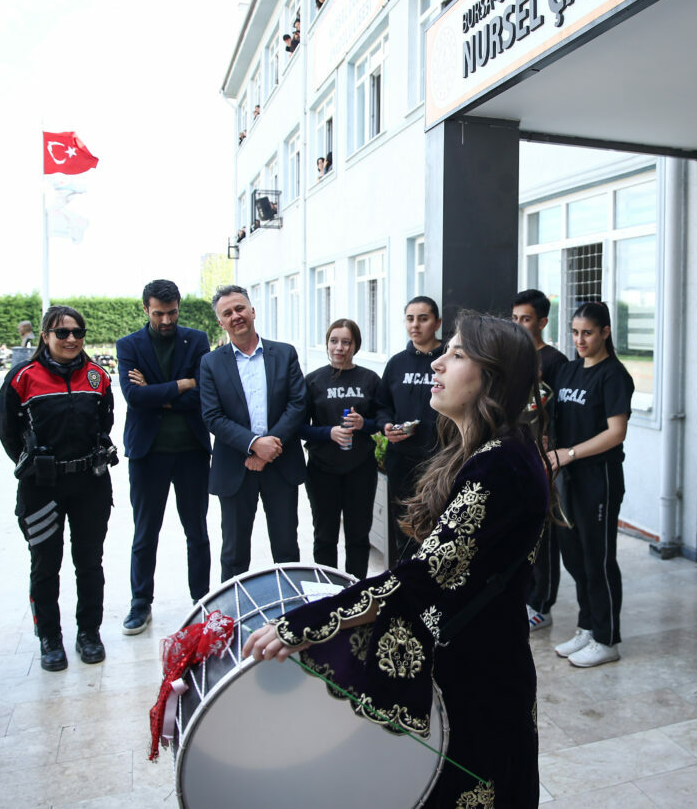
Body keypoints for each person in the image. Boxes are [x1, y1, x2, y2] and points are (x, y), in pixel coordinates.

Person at [243, 313, 552, 807]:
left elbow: (424, 577)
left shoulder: (502, 463)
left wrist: (307, 622)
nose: (438, 364)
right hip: (474, 661)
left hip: (483, 676)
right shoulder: (490, 451)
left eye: (455, 355)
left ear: (490, 375)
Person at [0, 305, 117, 672]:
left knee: (89, 562)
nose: (70, 339)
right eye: (61, 332)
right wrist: (34, 463)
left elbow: (106, 419)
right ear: (46, 336)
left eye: (77, 333)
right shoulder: (23, 377)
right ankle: (49, 637)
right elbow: (7, 431)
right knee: (45, 565)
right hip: (42, 488)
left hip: (89, 483)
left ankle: (89, 633)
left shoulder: (97, 376)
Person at [116, 280, 212, 635]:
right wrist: (181, 385)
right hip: (147, 453)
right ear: (146, 309)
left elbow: (204, 394)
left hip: (191, 452)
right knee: (145, 533)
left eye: (172, 312)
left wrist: (161, 393)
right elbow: (133, 397)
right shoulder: (129, 345)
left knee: (197, 531)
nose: (167, 320)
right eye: (159, 313)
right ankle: (140, 603)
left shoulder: (197, 339)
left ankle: (201, 600)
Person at [547, 301, 634, 668]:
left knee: (597, 559)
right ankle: (587, 626)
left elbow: (616, 433)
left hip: (599, 478)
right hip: (567, 479)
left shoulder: (614, 375)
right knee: (574, 557)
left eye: (587, 333)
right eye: (575, 332)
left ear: (605, 333)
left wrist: (568, 454)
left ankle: (607, 637)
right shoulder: (567, 371)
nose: (579, 340)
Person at [199, 285, 307, 580]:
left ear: (252, 311)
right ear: (220, 322)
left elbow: (298, 404)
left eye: (240, 308)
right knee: (234, 554)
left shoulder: (284, 354)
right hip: (236, 466)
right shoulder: (210, 363)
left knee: (287, 550)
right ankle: (230, 620)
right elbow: (212, 416)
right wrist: (254, 445)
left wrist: (270, 448)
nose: (236, 316)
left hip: (281, 464)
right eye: (227, 313)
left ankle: (290, 617)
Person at [301, 319, 382, 580]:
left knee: (358, 536)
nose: (339, 347)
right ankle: (327, 591)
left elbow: (381, 421)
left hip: (360, 468)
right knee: (324, 536)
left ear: (355, 345)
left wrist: (364, 424)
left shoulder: (369, 379)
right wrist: (329, 432)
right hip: (322, 469)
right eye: (334, 341)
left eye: (346, 342)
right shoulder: (313, 381)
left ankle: (355, 591)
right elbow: (299, 428)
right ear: (327, 343)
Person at [512, 288, 568, 633]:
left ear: (543, 322)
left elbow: (560, 413)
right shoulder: (511, 356)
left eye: (526, 319)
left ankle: (541, 604)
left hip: (543, 460)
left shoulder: (555, 362)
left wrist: (554, 450)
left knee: (543, 533)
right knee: (520, 532)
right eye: (515, 318)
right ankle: (522, 595)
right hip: (514, 454)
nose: (518, 324)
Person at [375, 297, 444, 567]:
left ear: (437, 323)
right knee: (404, 526)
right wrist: (387, 426)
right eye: (410, 318)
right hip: (402, 459)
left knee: (438, 526)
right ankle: (406, 585)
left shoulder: (449, 360)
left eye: (423, 318)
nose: (415, 325)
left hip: (440, 460)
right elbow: (382, 406)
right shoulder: (396, 363)